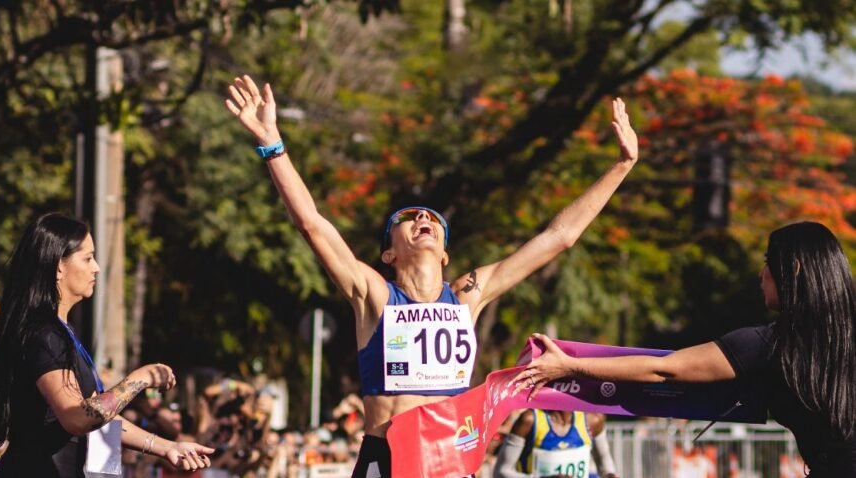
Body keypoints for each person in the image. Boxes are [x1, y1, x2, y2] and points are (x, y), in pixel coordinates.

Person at [224, 75, 639, 478]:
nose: (422, 216)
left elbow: (558, 238)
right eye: (406, 218)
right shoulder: (374, 295)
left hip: (448, 461)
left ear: (444, 254)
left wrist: (622, 165)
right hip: (388, 457)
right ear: (389, 252)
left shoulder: (466, 296)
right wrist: (271, 145)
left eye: (432, 218)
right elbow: (312, 225)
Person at [512, 221, 856, 477]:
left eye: (768, 261)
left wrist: (571, 367)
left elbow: (665, 369)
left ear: (793, 270)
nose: (761, 273)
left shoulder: (768, 344)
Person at [0, 213, 214, 477]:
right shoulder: (43, 334)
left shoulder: (59, 332)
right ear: (58, 267)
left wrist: (167, 447)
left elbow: (98, 414)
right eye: (87, 258)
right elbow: (76, 417)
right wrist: (139, 379)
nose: (96, 267)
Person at [492, 410, 618, 478]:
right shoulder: (529, 420)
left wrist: (610, 475)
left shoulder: (593, 420)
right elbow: (501, 472)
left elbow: (606, 466)